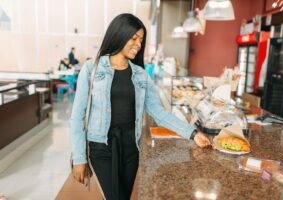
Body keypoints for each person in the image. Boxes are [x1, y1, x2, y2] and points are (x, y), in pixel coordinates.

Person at [70, 13, 211, 200]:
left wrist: (193, 133)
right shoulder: (92, 69)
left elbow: (159, 113)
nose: (138, 44)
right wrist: (80, 158)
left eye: (141, 40)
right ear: (119, 34)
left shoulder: (140, 75)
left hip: (131, 148)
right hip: (101, 147)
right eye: (134, 38)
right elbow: (77, 116)